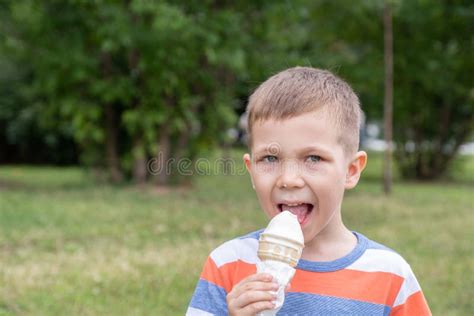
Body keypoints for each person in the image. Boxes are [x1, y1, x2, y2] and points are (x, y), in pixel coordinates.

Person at [186, 67, 431, 315]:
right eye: (270, 158)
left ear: (351, 170)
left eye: (313, 158)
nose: (289, 180)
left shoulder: (390, 275)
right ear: (251, 170)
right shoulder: (228, 265)